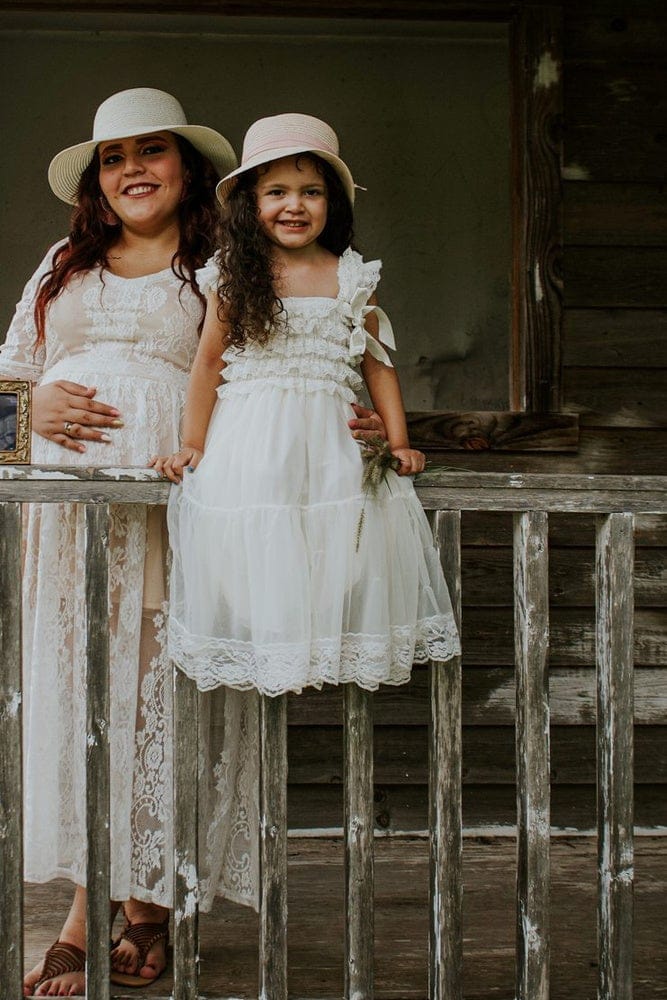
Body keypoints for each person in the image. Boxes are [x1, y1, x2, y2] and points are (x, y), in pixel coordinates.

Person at [1, 89, 386, 998]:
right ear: (97, 179)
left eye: (151, 151)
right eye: (112, 156)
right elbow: (5, 378)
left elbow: (300, 358)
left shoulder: (225, 259)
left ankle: (101, 916)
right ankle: (133, 908)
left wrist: (357, 422)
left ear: (188, 168)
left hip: (188, 516)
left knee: (161, 704)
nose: (132, 168)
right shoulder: (65, 264)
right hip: (72, 531)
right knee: (90, 699)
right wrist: (32, 406)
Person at [156, 113, 461, 698]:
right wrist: (192, 441)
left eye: (311, 191)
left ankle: (320, 644)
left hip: (330, 446)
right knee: (260, 548)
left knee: (335, 548)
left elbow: (378, 364)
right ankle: (274, 649)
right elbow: (208, 364)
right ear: (250, 202)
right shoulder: (234, 274)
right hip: (252, 443)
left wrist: (397, 443)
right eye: (276, 192)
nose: (293, 206)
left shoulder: (350, 274)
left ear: (332, 203)